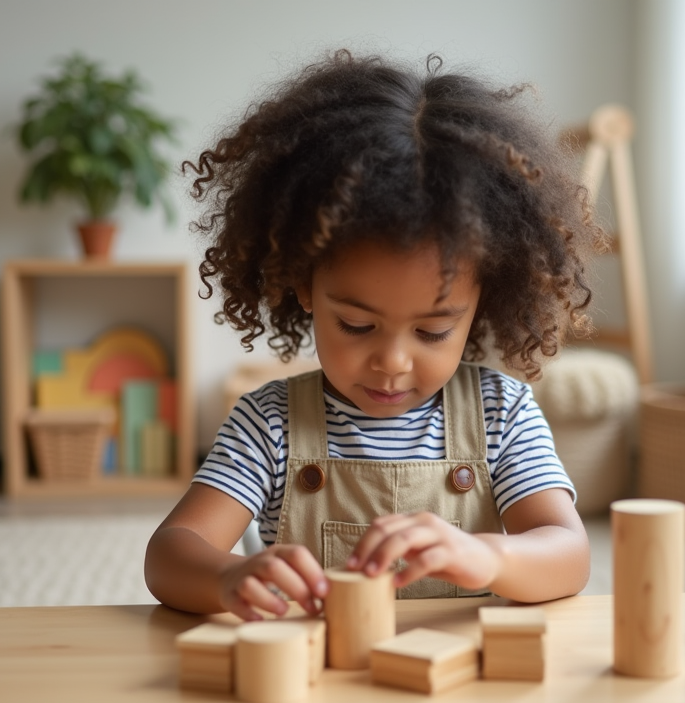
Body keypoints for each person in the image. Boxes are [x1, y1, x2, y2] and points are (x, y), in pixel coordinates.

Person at [145, 50, 600, 622]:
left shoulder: (500, 414)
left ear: (483, 300)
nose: (391, 361)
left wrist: (487, 556)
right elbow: (169, 554)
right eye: (357, 325)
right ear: (304, 286)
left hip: (457, 688)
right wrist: (228, 575)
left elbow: (570, 554)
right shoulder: (271, 424)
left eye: (433, 331)